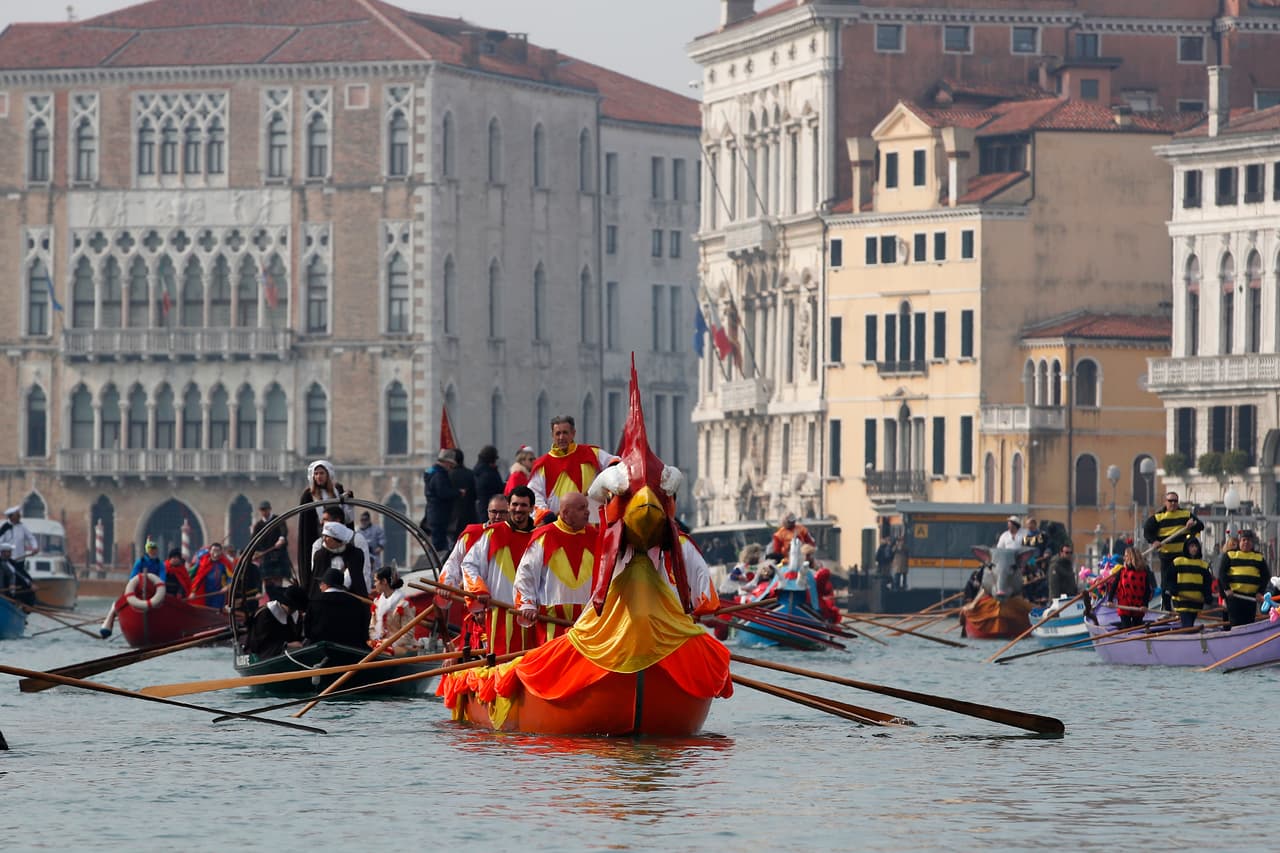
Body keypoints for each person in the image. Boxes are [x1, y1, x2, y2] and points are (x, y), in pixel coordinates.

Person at [460, 485, 538, 654]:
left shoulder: (540, 537)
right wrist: (479, 590)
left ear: (532, 508)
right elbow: (469, 564)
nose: (518, 509)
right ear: (509, 506)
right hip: (499, 615)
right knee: (500, 667)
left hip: (532, 616)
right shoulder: (492, 533)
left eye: (524, 505)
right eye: (515, 504)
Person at [514, 492, 597, 644]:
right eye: (581, 508)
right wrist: (527, 603)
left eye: (586, 507)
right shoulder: (545, 536)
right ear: (565, 513)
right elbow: (526, 573)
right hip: (552, 623)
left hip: (587, 623)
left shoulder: (595, 536)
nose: (587, 511)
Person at [527, 415, 617, 516]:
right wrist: (546, 516)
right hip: (558, 525)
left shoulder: (591, 453)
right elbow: (535, 495)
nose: (561, 437)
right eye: (558, 433)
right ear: (552, 435)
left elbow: (615, 465)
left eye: (565, 433)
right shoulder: (542, 464)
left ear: (573, 433)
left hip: (591, 523)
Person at [297, 460, 353, 595]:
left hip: (339, 540)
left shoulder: (337, 490)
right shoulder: (308, 495)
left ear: (328, 474)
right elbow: (306, 525)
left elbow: (347, 517)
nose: (318, 477)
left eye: (321, 473)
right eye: (316, 474)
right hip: (319, 539)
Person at [1143, 492, 1204, 611]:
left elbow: (1200, 526)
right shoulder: (1158, 517)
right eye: (1170, 501)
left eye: (1175, 501)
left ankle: (1181, 608)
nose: (1173, 503)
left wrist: (1192, 525)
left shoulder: (1185, 514)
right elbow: (1147, 531)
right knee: (1166, 584)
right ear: (1165, 502)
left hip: (1181, 556)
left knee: (1180, 583)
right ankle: (1167, 609)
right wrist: (1154, 541)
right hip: (1166, 556)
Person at [306, 567, 371, 647]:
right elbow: (364, 631)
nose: (319, 587)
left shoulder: (314, 602)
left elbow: (308, 632)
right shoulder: (356, 603)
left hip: (321, 648)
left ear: (325, 584)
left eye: (320, 584)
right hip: (351, 649)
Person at [1219, 529, 1268, 628]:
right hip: (1235, 597)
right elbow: (1222, 574)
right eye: (1244, 540)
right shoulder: (1230, 555)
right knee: (1236, 624)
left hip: (1250, 598)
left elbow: (1265, 576)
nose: (1246, 543)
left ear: (1252, 543)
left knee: (1249, 624)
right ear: (1239, 541)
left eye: (1249, 540)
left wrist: (1260, 592)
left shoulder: (1259, 557)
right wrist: (1227, 589)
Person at [309, 520, 368, 599]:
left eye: (327, 536)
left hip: (350, 598)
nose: (324, 539)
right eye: (324, 536)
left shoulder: (355, 554)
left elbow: (357, 577)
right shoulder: (320, 555)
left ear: (337, 539)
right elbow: (316, 579)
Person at [245, 584, 307, 658]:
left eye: (295, 608)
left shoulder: (296, 615)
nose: (293, 611)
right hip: (265, 654)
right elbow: (258, 644)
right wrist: (287, 645)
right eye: (291, 607)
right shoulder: (265, 615)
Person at [1105, 546, 1157, 629]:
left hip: (1138, 606)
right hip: (1124, 605)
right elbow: (1114, 586)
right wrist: (1110, 600)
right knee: (1126, 628)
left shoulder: (1144, 572)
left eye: (1126, 556)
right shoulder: (1122, 571)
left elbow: (1147, 590)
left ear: (1131, 557)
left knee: (1137, 628)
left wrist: (1145, 605)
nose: (1124, 558)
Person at [369, 566, 417, 655]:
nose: (374, 585)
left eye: (376, 581)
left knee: (383, 651)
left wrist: (389, 643)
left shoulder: (404, 603)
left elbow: (408, 633)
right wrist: (377, 640)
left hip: (402, 646)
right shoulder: (377, 602)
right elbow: (372, 627)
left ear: (384, 581)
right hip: (381, 644)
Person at [1171, 537, 1213, 629]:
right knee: (1187, 625)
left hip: (1196, 603)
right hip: (1182, 602)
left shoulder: (1203, 565)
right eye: (1192, 546)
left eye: (1196, 546)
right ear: (1187, 548)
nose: (1194, 549)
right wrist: (1173, 589)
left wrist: (1207, 596)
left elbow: (1207, 584)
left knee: (1189, 624)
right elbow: (1170, 579)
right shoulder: (1178, 562)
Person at [424, 449, 460, 554]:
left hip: (433, 513)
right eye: (451, 465)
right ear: (447, 463)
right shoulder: (440, 475)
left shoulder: (431, 472)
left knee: (437, 541)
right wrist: (457, 492)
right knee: (438, 545)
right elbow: (443, 492)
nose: (451, 468)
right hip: (439, 514)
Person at [252, 500, 292, 589]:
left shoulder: (277, 520)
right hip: (265, 555)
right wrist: (255, 553)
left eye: (265, 509)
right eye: (262, 510)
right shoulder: (258, 525)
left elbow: (283, 530)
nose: (264, 512)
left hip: (279, 554)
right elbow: (254, 540)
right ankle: (271, 599)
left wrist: (281, 539)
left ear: (269, 509)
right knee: (267, 579)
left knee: (278, 578)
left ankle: (279, 597)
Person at [189, 542, 233, 609]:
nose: (216, 553)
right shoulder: (202, 562)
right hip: (205, 593)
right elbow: (197, 578)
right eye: (214, 550)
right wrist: (193, 592)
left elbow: (231, 577)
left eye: (218, 551)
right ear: (210, 551)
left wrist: (227, 587)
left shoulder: (224, 564)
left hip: (218, 593)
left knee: (215, 611)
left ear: (221, 552)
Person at [0, 507, 39, 580]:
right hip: (8, 560)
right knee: (11, 576)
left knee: (22, 577)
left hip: (20, 559)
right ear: (11, 517)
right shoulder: (4, 528)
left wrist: (35, 547)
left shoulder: (22, 526)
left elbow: (31, 537)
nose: (19, 517)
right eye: (17, 515)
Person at [447, 448, 477, 540]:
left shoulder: (447, 475)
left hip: (452, 516)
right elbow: (476, 494)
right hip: (470, 514)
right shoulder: (471, 474)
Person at [473, 445, 505, 520]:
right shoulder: (489, 473)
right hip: (492, 506)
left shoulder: (477, 471)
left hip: (481, 506)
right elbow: (499, 487)